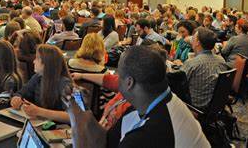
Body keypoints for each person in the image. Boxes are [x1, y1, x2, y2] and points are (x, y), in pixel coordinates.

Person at [66, 45, 210, 148]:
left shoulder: (150, 133)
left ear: (129, 82)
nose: (116, 78)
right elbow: (107, 140)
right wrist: (80, 112)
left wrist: (75, 120)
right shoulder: (155, 102)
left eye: (119, 76)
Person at [11, 44, 72, 123]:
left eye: (37, 58)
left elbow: (72, 116)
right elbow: (21, 93)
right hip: (41, 122)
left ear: (46, 63)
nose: (33, 61)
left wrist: (39, 111)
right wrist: (16, 98)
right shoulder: (38, 77)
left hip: (59, 127)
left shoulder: (65, 84)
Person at [180, 27, 228, 109]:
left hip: (196, 106)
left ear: (198, 43)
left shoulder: (192, 63)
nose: (191, 40)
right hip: (215, 105)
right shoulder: (221, 60)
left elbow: (178, 85)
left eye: (193, 38)